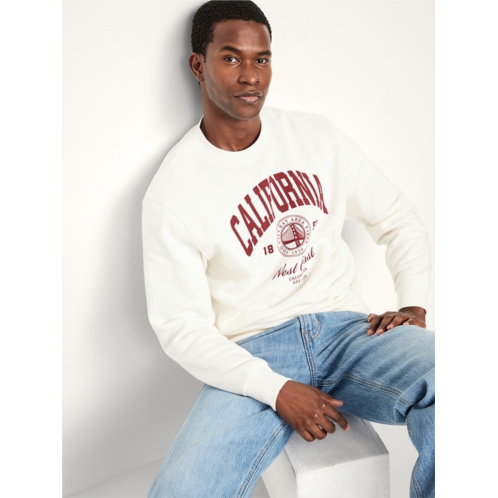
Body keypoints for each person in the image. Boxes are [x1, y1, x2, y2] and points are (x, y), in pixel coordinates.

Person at [142, 0, 435, 497]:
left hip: (350, 333)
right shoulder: (174, 192)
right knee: (181, 490)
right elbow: (181, 327)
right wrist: (275, 389)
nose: (251, 76)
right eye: (231, 58)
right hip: (255, 351)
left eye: (262, 59)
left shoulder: (316, 137)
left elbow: (396, 216)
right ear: (198, 65)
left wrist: (414, 302)